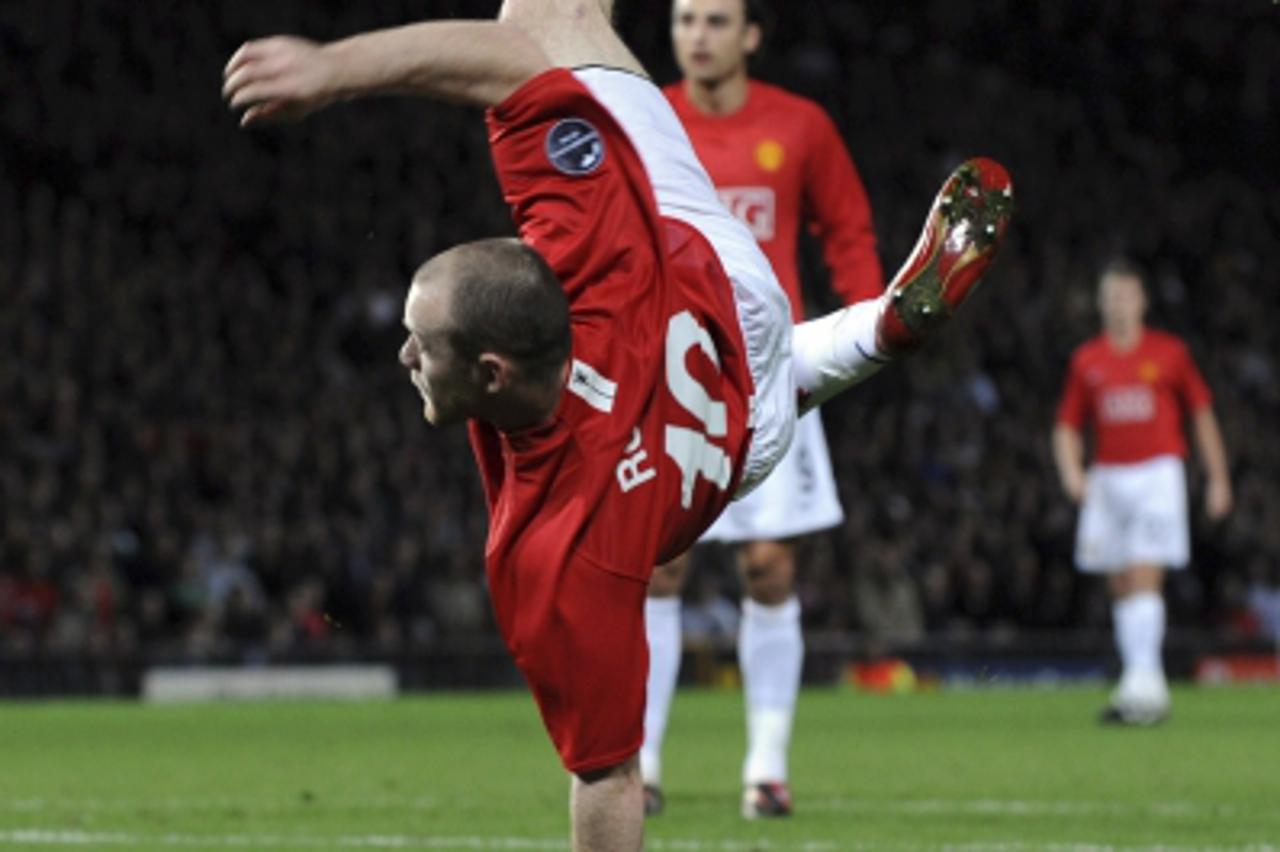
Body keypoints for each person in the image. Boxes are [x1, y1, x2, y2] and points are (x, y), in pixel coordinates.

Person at [223, 2, 1013, 847]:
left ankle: (870, 338)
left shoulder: (553, 553)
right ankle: (877, 328)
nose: (404, 357)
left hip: (737, 441)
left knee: (745, 435)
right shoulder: (583, 248)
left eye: (421, 345)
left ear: (492, 372)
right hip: (717, 292)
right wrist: (332, 71)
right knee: (547, 11)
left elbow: (607, 777)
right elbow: (510, 59)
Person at [642, 0, 884, 819]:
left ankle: (767, 768)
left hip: (770, 368)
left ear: (750, 36)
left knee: (769, 566)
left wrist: (872, 321)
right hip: (671, 370)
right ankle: (639, 765)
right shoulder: (650, 120)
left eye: (716, 20)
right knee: (659, 565)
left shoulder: (801, 125)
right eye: (684, 20)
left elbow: (846, 229)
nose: (698, 35)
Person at [1053, 260, 1231, 726]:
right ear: (1100, 303)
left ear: (1142, 301)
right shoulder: (1087, 360)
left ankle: (1145, 683)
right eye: (1110, 296)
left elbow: (1202, 413)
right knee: (1118, 580)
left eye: (1126, 295)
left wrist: (1218, 477)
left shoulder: (1170, 353)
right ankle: (1141, 682)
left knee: (1144, 571)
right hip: (1108, 477)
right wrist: (1073, 472)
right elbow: (1067, 427)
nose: (1118, 304)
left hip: (1158, 473)